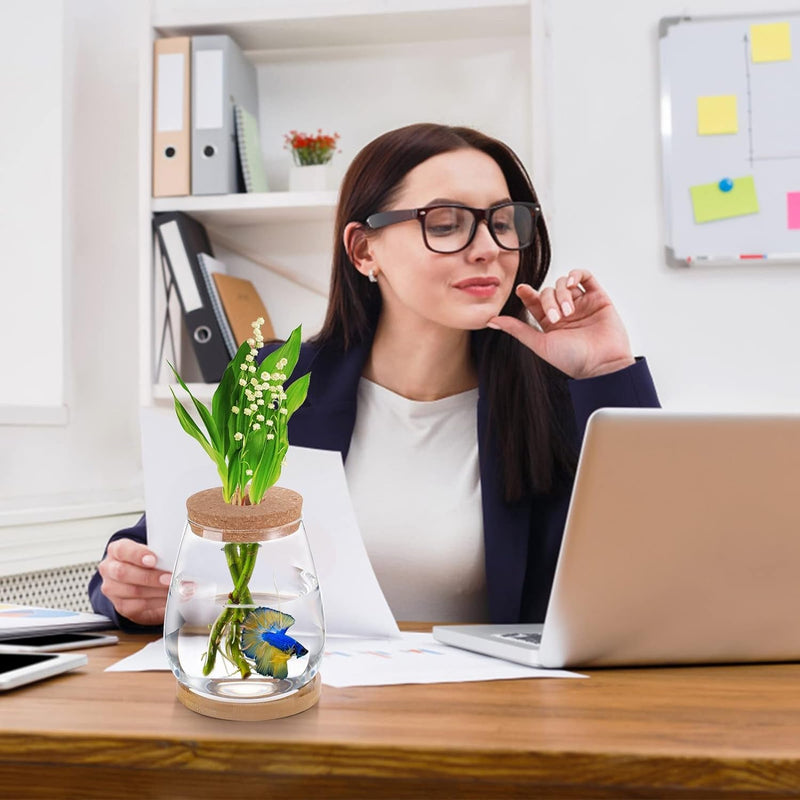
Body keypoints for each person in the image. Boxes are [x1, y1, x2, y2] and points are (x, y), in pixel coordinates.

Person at [89, 122, 659, 630]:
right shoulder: (277, 382)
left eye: (503, 222)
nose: (488, 248)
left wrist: (607, 371)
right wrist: (129, 587)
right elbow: (159, 554)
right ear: (364, 251)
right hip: (298, 708)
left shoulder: (553, 396)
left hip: (489, 723)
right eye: (446, 222)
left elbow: (652, 573)